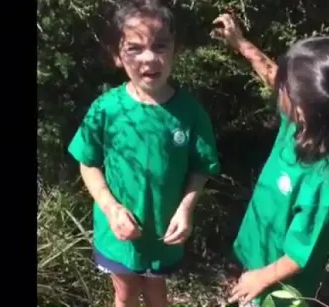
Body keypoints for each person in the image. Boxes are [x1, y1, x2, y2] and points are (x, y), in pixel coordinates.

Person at [67, 1, 221, 306]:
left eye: (160, 45)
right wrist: (111, 209)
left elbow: (201, 167)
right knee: (124, 295)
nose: (149, 58)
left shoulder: (190, 112)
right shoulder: (105, 109)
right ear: (116, 55)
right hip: (119, 234)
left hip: (164, 233)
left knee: (156, 294)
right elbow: (88, 164)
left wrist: (186, 208)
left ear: (175, 50)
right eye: (134, 48)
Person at [211, 14, 329, 307]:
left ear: (307, 105)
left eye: (285, 85)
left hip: (282, 290)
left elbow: (300, 253)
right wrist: (240, 43)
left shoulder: (326, 181)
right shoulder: (298, 124)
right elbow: (269, 72)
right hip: (259, 262)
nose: (276, 84)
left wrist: (260, 278)